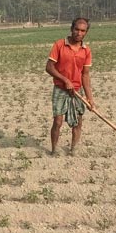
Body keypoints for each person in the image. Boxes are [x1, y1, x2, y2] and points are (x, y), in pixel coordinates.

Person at [45, 17, 95, 156]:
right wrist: (65, 80)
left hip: (76, 91)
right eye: (77, 29)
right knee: (58, 122)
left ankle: (74, 149)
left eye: (82, 31)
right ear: (71, 29)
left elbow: (85, 75)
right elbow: (49, 67)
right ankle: (54, 150)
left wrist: (90, 99)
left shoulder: (86, 51)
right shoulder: (60, 45)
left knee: (78, 122)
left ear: (86, 33)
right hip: (60, 89)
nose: (79, 33)